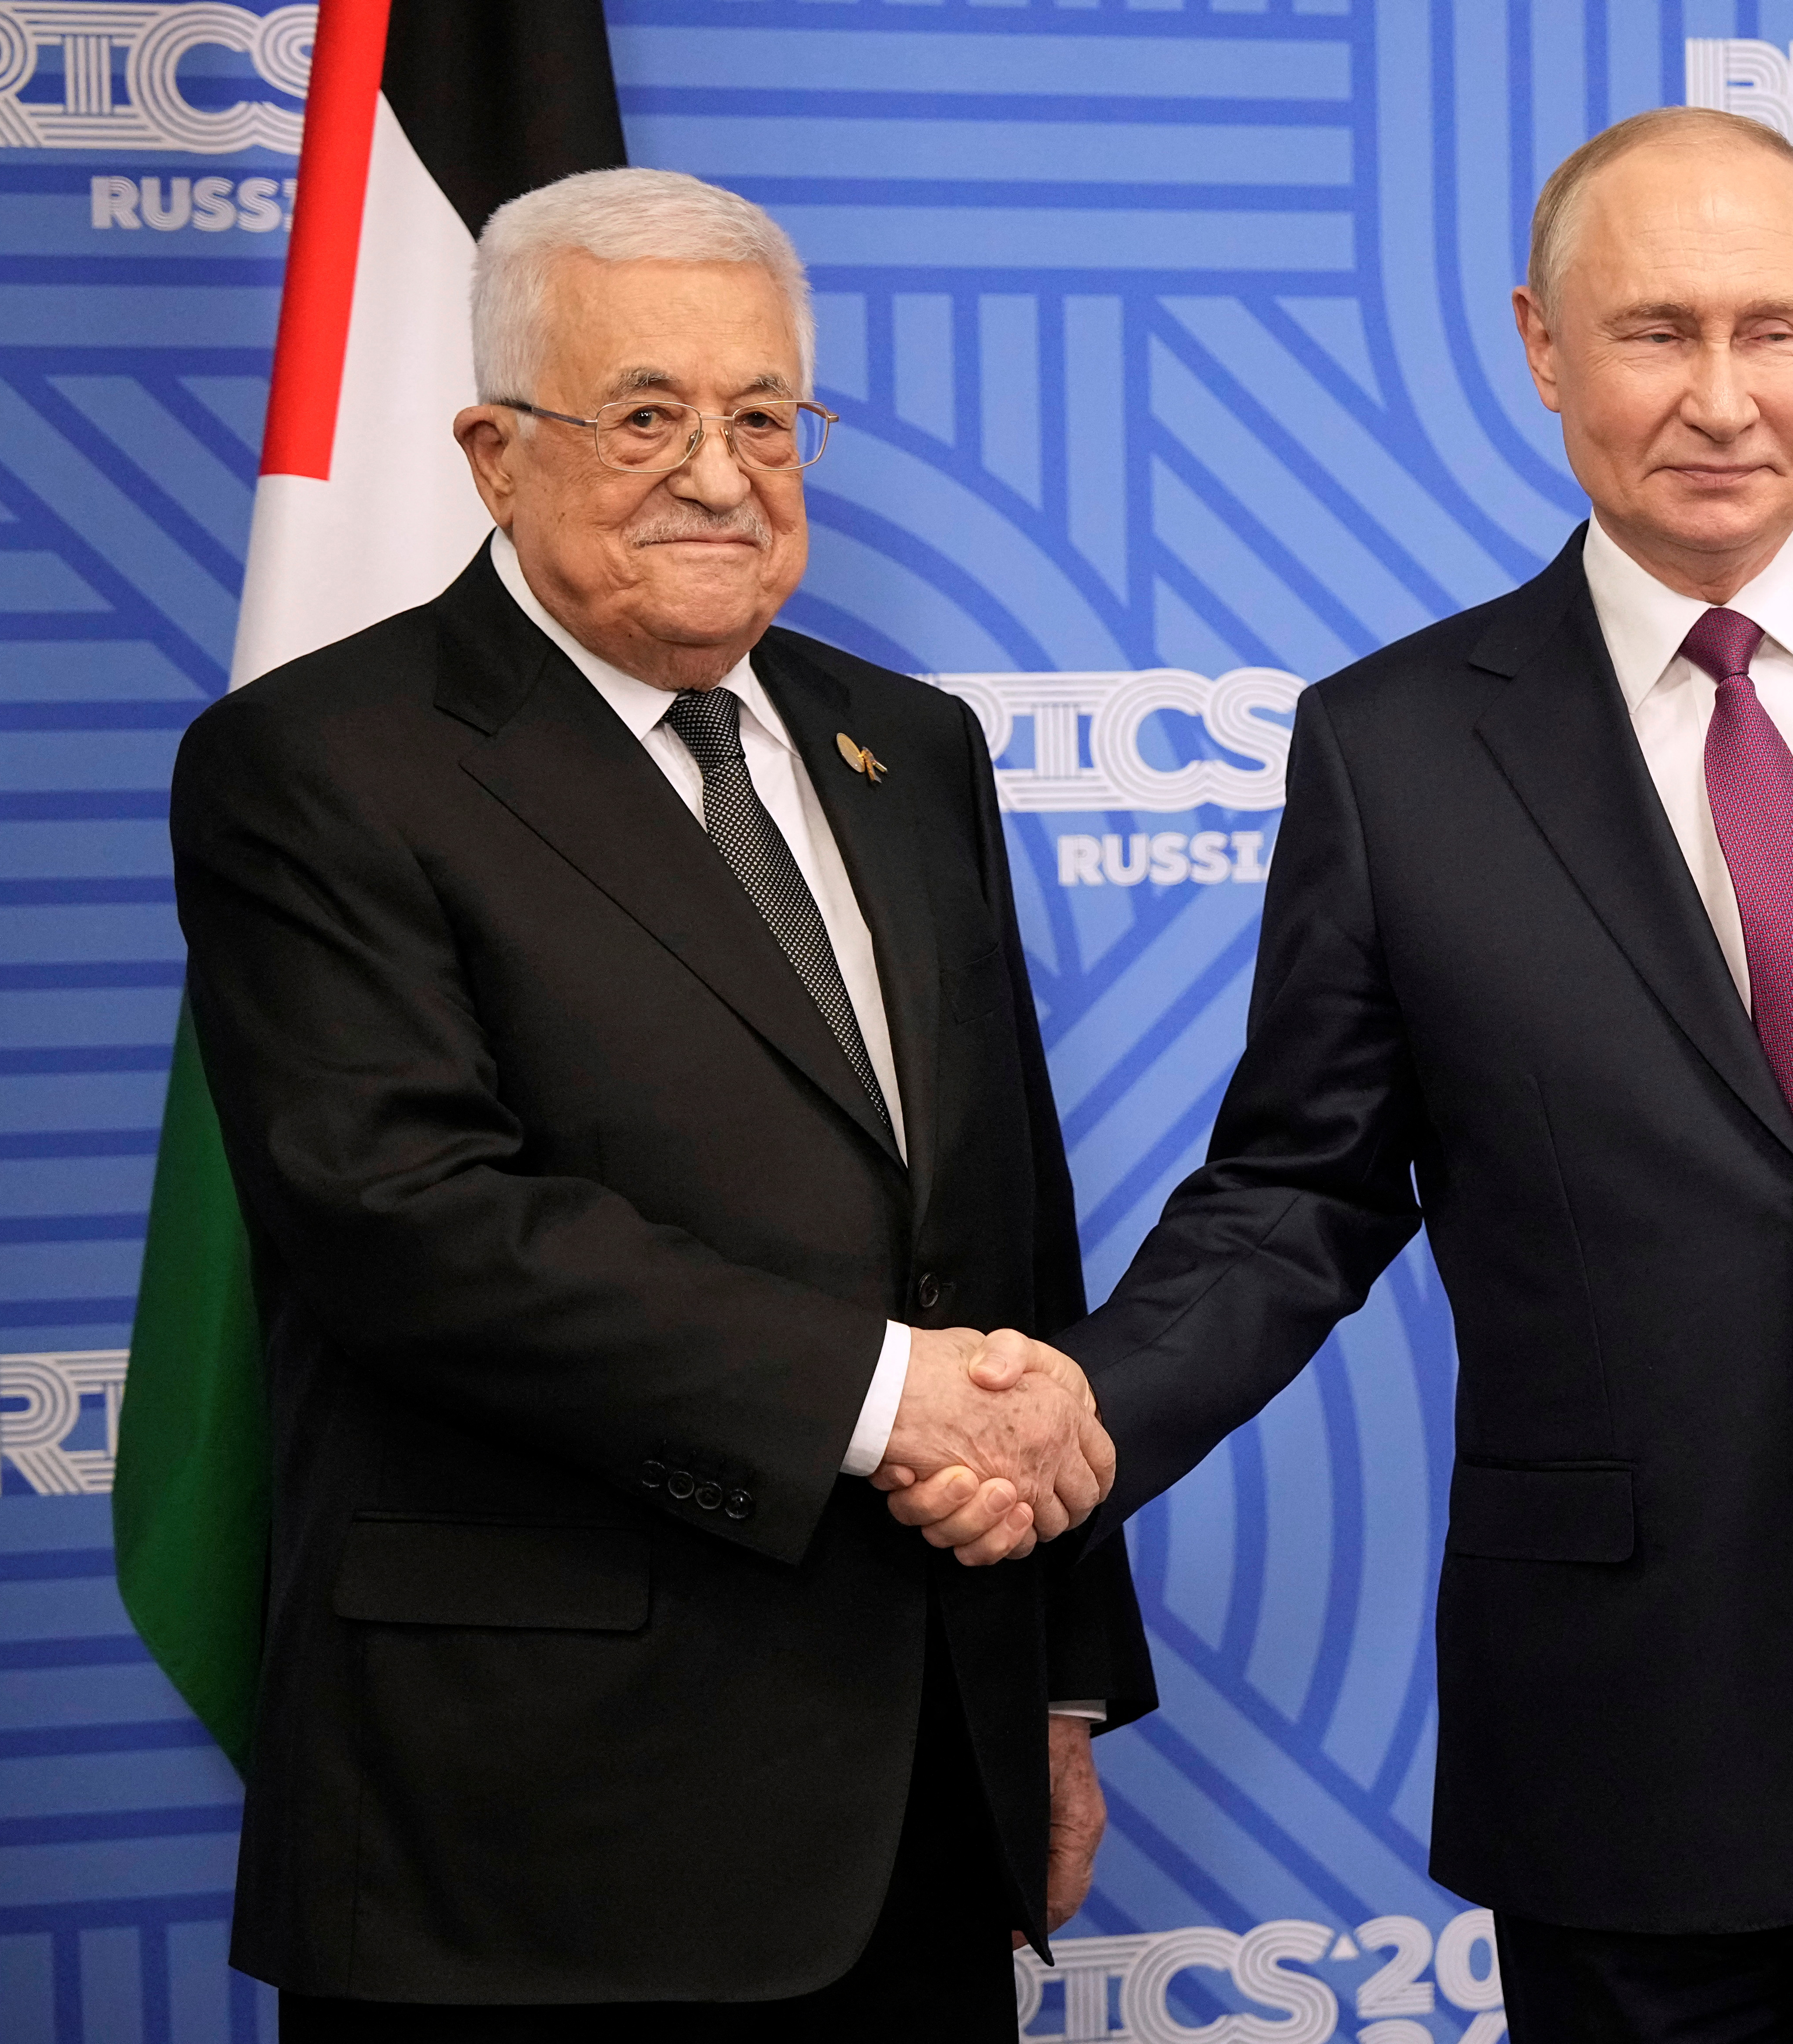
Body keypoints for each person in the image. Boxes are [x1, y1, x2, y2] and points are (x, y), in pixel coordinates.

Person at [895, 107, 1793, 2040]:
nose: (1721, 399)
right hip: (1626, 1709)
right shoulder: (1394, 746)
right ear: (1540, 346)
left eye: (1771, 330)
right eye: (1652, 333)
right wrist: (1080, 1411)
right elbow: (1301, 1194)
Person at [170, 168, 1144, 2040]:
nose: (720, 470)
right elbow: (410, 1220)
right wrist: (886, 1397)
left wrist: (1054, 1685)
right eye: (643, 415)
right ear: (489, 452)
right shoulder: (316, 768)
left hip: (922, 1811)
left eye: (764, 415)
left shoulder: (907, 746)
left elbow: (1003, 1235)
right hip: (536, 1835)